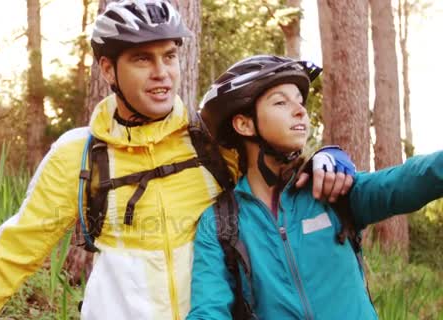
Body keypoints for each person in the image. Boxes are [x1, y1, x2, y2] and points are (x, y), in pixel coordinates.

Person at [0, 2, 355, 320]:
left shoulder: (212, 142)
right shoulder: (78, 155)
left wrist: (331, 158)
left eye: (169, 57)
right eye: (142, 59)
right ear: (107, 70)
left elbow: (287, 177)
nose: (162, 72)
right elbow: (11, 255)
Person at [187, 55, 443, 320]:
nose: (300, 110)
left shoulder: (332, 188)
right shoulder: (220, 223)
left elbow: (406, 181)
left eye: (299, 101)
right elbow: (208, 311)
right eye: (281, 102)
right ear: (244, 124)